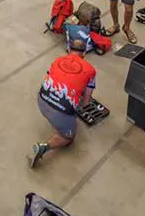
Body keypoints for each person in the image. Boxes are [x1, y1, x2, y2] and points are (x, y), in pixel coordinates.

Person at [29, 28, 97, 168]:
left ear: (68, 49)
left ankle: (57, 121)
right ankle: (43, 148)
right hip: (60, 112)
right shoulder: (90, 70)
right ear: (84, 53)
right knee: (69, 138)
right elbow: (86, 102)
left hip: (41, 100)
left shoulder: (58, 60)